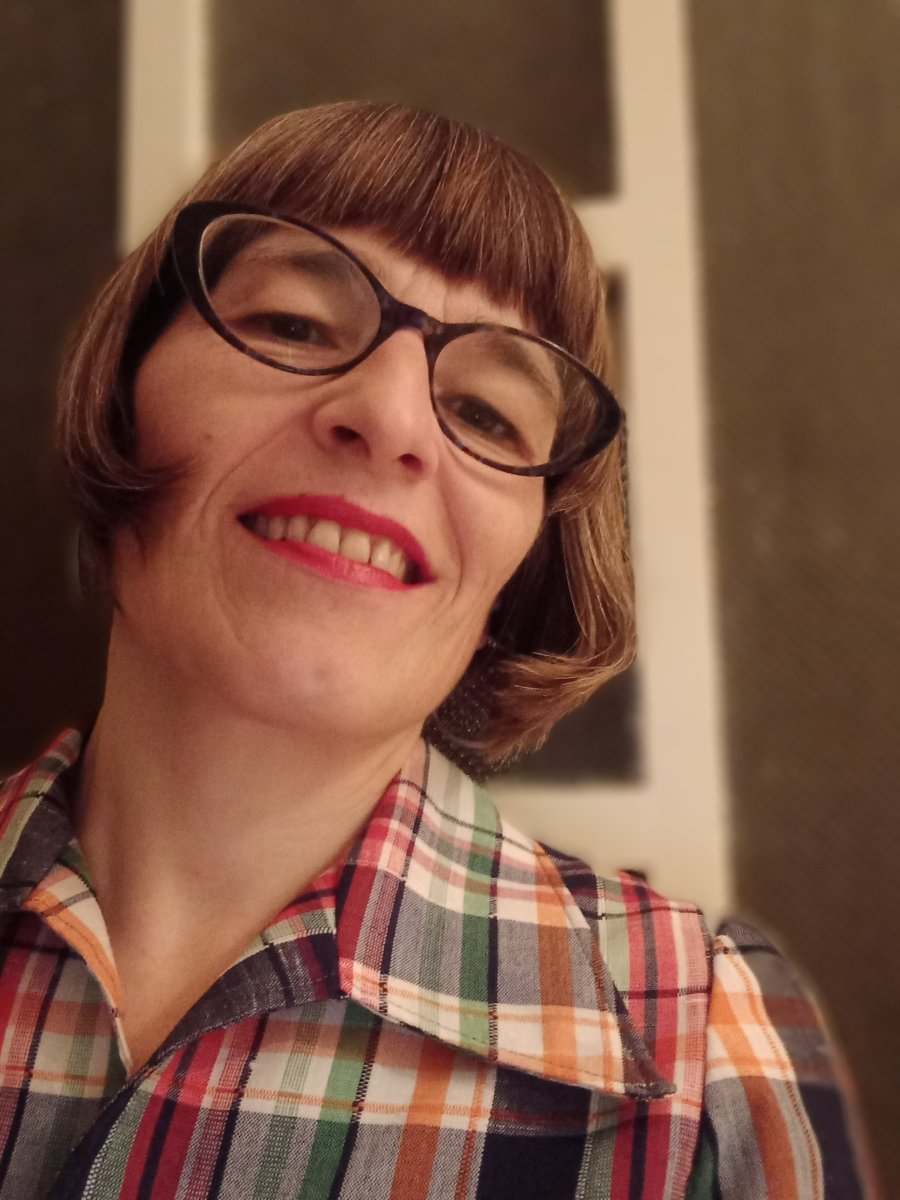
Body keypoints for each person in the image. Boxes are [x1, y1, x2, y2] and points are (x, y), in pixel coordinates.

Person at [0, 102, 870, 1199]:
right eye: (294, 325)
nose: (392, 418)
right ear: (126, 391)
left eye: (490, 414)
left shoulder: (713, 1053)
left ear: (524, 567)